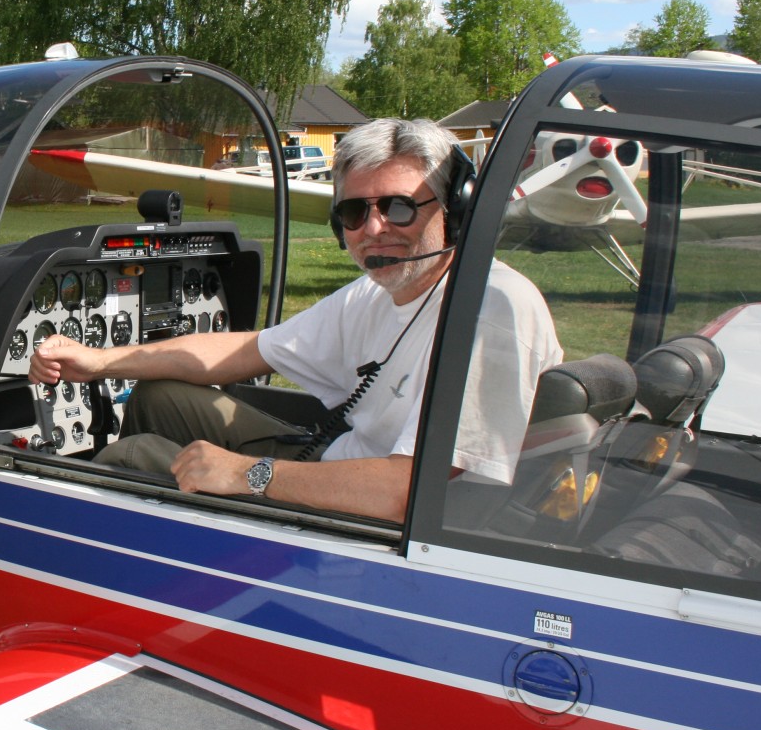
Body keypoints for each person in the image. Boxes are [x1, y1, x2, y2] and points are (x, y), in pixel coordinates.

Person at [29, 118, 562, 523]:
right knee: (158, 395)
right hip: (338, 464)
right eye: (354, 212)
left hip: (373, 522)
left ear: (455, 209)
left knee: (132, 453)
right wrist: (100, 361)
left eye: (399, 207)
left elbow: (409, 494)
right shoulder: (377, 293)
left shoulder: (493, 310)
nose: (375, 228)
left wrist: (248, 475)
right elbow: (247, 350)